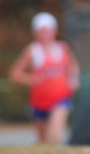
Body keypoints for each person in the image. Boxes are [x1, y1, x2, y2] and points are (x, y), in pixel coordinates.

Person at [8, 12, 80, 145]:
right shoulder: (32, 50)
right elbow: (15, 74)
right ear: (36, 32)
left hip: (60, 98)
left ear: (54, 31)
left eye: (48, 30)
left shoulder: (63, 48)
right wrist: (31, 79)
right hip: (39, 101)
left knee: (54, 136)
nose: (45, 34)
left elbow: (73, 67)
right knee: (43, 140)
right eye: (42, 30)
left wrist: (74, 79)